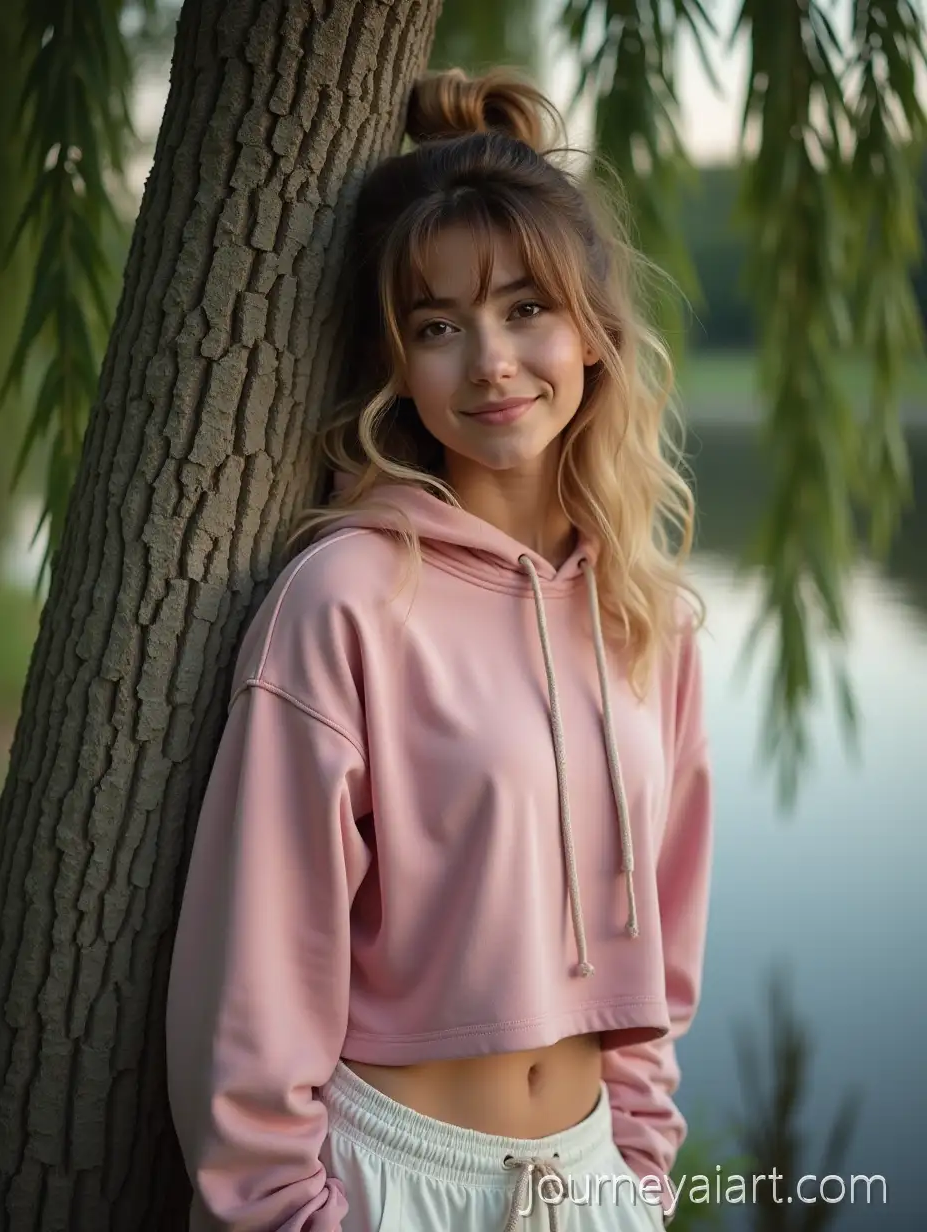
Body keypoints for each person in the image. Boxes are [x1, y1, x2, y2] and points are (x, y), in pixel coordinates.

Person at [166, 65, 712, 1232]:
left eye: (526, 309)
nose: (491, 361)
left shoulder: (646, 617)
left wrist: (639, 1171)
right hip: (395, 1180)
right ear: (398, 366)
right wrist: (285, 1211)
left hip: (592, 1179)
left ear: (593, 333)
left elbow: (662, 940)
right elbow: (258, 964)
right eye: (438, 327)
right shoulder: (346, 597)